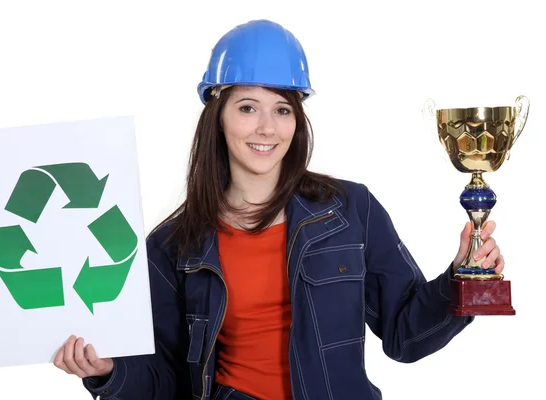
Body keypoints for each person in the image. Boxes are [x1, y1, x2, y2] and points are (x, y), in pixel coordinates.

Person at [53, 19, 504, 400]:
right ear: (219, 116)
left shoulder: (351, 210)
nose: (267, 127)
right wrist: (107, 372)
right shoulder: (172, 245)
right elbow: (167, 381)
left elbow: (406, 336)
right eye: (248, 107)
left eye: (282, 110)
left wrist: (467, 280)